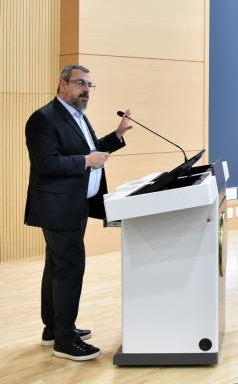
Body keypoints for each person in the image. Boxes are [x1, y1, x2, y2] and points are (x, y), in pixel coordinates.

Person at [24, 65, 133, 361]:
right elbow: (46, 163)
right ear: (63, 84)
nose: (86, 90)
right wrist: (85, 160)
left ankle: (53, 329)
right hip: (58, 207)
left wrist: (117, 135)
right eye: (81, 83)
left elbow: (92, 150)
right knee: (70, 267)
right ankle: (65, 339)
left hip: (75, 205)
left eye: (89, 85)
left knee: (57, 266)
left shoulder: (78, 117)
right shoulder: (43, 119)